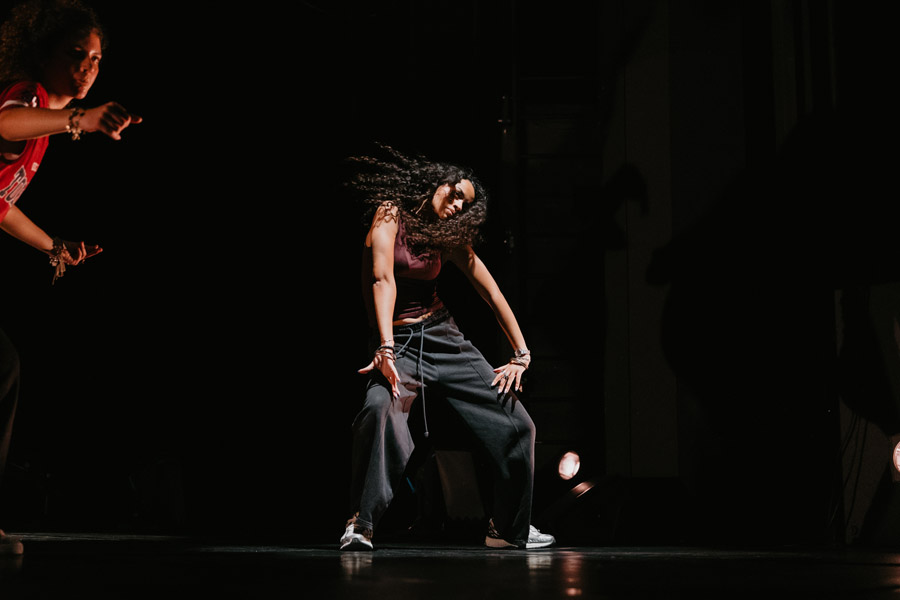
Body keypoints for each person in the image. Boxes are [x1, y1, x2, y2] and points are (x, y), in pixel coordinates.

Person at [340, 144, 554, 551]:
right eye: (455, 194)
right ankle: (360, 524)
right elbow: (382, 279)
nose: (457, 206)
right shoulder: (390, 214)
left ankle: (507, 529)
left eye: (465, 204)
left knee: (517, 424)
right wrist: (385, 348)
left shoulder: (446, 237)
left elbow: (491, 292)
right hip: (398, 343)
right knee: (378, 410)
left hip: (443, 337)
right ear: (436, 183)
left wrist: (521, 355)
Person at [0, 0, 140, 555]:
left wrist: (53, 246)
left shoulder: (42, 132)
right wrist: (78, 120)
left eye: (96, 58)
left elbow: (1, 205)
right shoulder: (27, 100)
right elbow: (3, 121)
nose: (87, 67)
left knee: (3, 369)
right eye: (75, 53)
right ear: (44, 55)